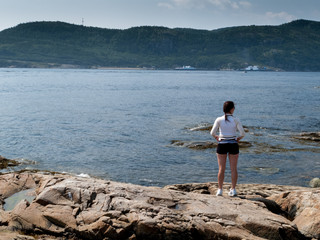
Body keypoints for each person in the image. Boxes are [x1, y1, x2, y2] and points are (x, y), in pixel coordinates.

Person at [210, 101, 245, 197]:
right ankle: (233, 189)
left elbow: (212, 133)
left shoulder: (219, 119)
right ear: (231, 109)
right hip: (233, 144)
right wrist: (237, 139)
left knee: (221, 168)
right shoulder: (236, 119)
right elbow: (242, 133)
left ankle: (220, 190)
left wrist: (217, 137)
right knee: (233, 169)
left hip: (222, 144)